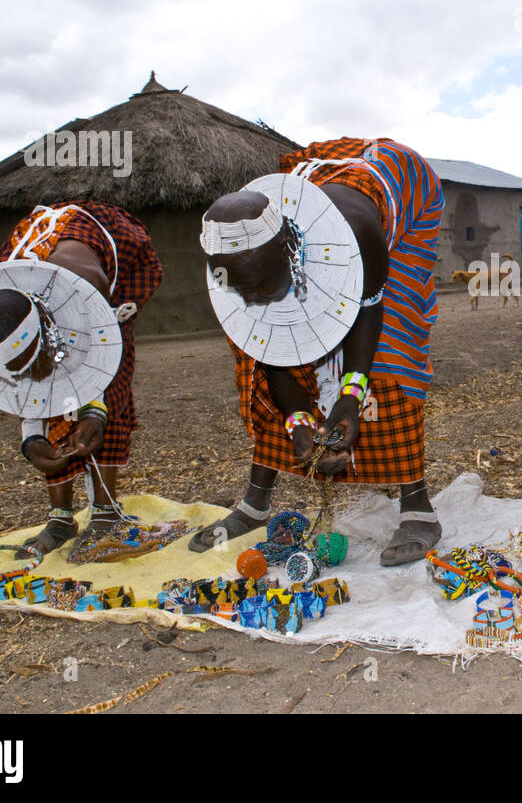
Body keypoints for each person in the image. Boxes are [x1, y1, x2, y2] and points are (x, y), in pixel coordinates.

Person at [189, 138, 445, 566]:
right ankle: (256, 503)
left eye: (259, 285)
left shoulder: (360, 236)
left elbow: (367, 310)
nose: (250, 300)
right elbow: (269, 344)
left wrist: (349, 396)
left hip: (400, 196)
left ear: (290, 256)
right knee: (252, 355)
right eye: (241, 289)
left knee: (393, 349)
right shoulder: (229, 255)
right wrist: (298, 420)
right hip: (316, 189)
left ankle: (417, 502)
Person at [0, 201, 163, 558]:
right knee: (52, 407)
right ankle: (61, 518)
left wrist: (94, 414)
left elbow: (98, 369)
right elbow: (27, 390)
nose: (37, 376)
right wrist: (32, 439)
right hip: (40, 288)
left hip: (114, 277)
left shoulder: (88, 299)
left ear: (49, 332)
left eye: (37, 362)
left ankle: (106, 512)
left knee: (111, 395)